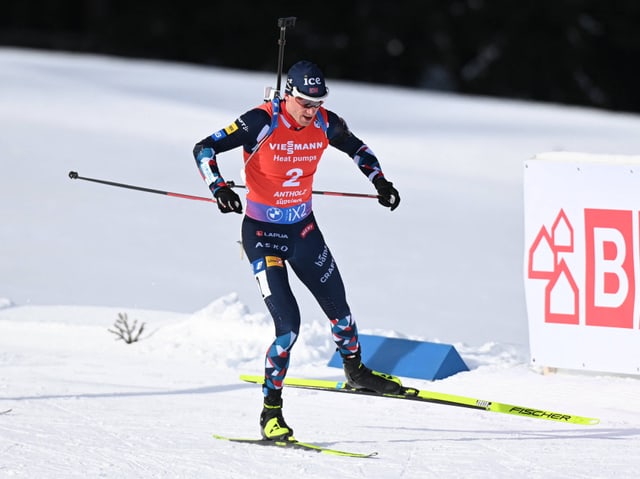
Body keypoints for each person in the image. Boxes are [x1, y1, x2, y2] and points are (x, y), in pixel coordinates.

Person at [193, 60, 402, 441]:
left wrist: (381, 182)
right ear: (288, 93)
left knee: (340, 310)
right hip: (262, 234)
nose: (311, 111)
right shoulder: (260, 121)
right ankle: (270, 413)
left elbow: (358, 148)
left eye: (317, 103)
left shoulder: (324, 122)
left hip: (304, 231)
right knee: (288, 328)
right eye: (305, 102)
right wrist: (219, 187)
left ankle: (356, 372)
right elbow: (204, 148)